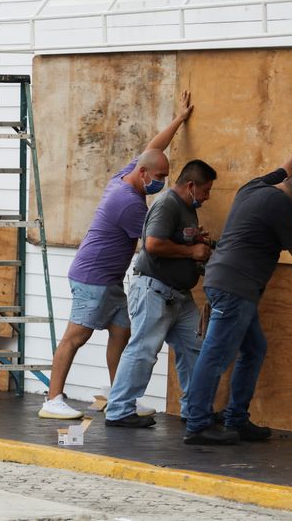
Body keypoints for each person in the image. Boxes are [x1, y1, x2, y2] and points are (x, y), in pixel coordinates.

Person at [183, 113, 292, 445]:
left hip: (232, 284)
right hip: (235, 287)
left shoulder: (256, 187)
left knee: (254, 348)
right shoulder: (282, 206)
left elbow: (288, 168)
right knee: (216, 354)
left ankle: (236, 418)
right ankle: (197, 424)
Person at [38, 91, 195, 419]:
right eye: (160, 178)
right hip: (92, 277)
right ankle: (52, 399)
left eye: (166, 178)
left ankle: (118, 393)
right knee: (76, 336)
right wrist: (191, 243)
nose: (162, 184)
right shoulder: (129, 204)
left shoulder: (124, 178)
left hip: (108, 280)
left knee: (122, 331)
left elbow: (154, 146)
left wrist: (179, 120)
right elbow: (155, 242)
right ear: (143, 174)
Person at [104, 160, 217, 428]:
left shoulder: (187, 208)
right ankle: (119, 411)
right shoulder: (168, 204)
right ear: (191, 185)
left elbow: (172, 239)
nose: (207, 197)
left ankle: (194, 410)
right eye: (205, 190)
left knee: (194, 348)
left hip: (178, 293)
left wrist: (195, 241)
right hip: (155, 290)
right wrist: (192, 252)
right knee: (143, 349)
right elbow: (153, 244)